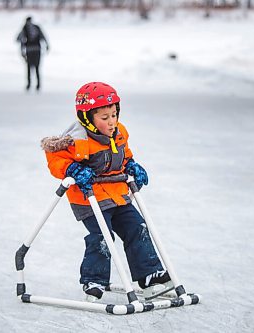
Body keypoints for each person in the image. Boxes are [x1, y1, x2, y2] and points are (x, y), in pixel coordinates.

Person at [41, 82, 170, 301]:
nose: (111, 122)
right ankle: (94, 280)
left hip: (118, 195)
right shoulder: (77, 139)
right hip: (89, 199)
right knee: (102, 236)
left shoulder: (119, 133)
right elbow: (55, 159)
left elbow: (125, 155)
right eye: (104, 117)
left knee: (136, 227)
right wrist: (72, 168)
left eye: (114, 115)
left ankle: (149, 276)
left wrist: (132, 166)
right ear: (87, 118)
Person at [16, 16, 49, 91]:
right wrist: (47, 45)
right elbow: (43, 36)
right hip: (37, 49)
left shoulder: (24, 28)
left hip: (29, 50)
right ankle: (38, 85)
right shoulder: (36, 27)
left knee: (28, 68)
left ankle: (29, 84)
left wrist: (22, 50)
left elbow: (19, 39)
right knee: (37, 68)